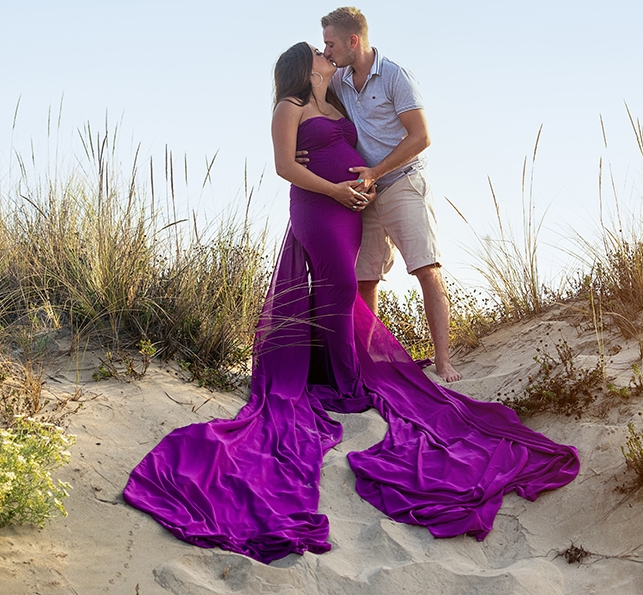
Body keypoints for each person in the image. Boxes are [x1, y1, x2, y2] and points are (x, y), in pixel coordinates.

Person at [122, 42, 579, 565]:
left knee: (345, 291)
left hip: (349, 208)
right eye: (318, 51)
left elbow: (368, 125)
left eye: (328, 47)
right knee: (339, 287)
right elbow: (283, 167)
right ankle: (343, 382)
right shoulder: (287, 107)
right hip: (318, 207)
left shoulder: (337, 99)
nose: (326, 54)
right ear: (303, 65)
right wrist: (336, 192)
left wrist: (358, 183)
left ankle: (343, 372)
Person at [313, 6, 461, 383]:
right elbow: (311, 110)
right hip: (366, 195)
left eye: (330, 43)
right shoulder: (339, 79)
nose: (325, 51)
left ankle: (444, 363)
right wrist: (303, 148)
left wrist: (377, 172)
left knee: (426, 270)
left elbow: (422, 137)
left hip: (403, 184)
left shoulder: (395, 76)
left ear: (353, 40)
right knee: (365, 281)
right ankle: (367, 364)